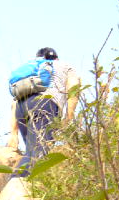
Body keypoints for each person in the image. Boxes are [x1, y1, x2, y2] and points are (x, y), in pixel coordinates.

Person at [7, 47, 80, 177]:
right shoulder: (65, 66)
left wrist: (13, 133)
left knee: (31, 151)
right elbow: (73, 88)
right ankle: (16, 184)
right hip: (44, 105)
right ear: (56, 58)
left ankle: (23, 181)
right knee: (37, 153)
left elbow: (14, 103)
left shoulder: (31, 72)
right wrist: (69, 116)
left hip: (21, 109)